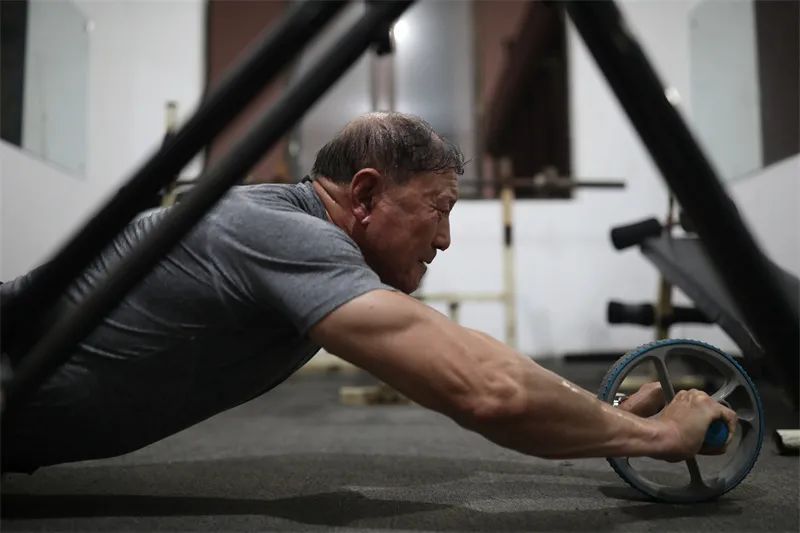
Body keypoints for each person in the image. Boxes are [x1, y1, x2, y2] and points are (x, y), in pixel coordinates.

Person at [0, 112, 736, 474]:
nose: (444, 239)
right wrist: (653, 435)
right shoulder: (285, 234)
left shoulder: (299, 240)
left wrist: (596, 416)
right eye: (440, 208)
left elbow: (466, 362)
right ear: (365, 194)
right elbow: (484, 388)